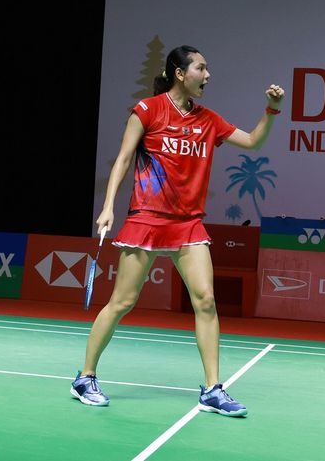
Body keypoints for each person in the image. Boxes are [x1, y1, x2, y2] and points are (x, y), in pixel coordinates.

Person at [70, 45, 285, 416]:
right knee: (122, 302)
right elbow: (123, 158)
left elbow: (253, 141)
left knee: (206, 301)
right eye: (202, 68)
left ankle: (213, 389)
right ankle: (84, 377)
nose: (208, 75)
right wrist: (107, 206)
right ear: (180, 73)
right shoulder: (148, 110)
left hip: (188, 224)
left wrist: (272, 110)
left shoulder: (208, 120)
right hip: (147, 218)